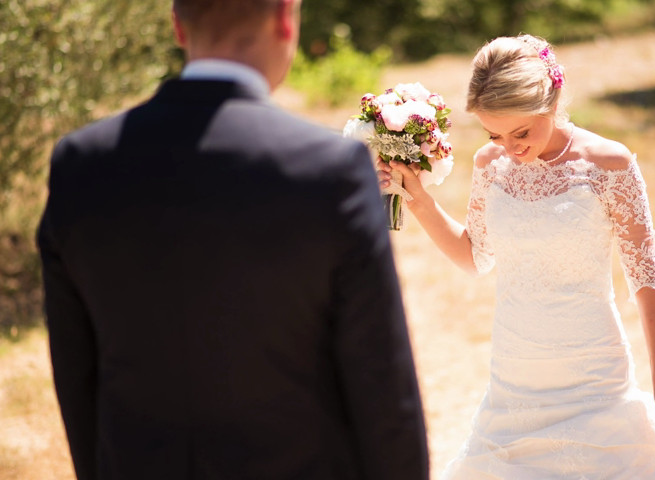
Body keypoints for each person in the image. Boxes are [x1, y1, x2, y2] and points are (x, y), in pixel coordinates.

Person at [36, 1, 429, 479]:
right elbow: (382, 388)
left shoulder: (81, 165)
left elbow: (76, 376)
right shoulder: (330, 171)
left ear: (178, 25)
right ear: (286, 18)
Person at [378, 34, 655, 479]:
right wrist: (418, 198)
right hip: (514, 377)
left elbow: (647, 276)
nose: (511, 147)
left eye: (522, 132)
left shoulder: (608, 164)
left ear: (552, 100)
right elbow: (474, 257)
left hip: (594, 375)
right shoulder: (489, 165)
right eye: (495, 134)